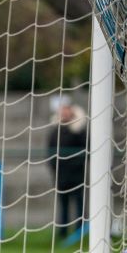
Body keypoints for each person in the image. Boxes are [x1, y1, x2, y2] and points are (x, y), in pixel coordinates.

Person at [47, 97, 88, 239]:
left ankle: (80, 232)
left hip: (77, 175)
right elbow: (50, 151)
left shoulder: (79, 130)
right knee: (63, 205)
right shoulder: (55, 130)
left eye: (66, 110)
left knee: (79, 204)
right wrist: (55, 168)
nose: (64, 113)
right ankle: (62, 233)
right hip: (61, 175)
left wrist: (76, 165)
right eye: (62, 110)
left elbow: (86, 150)